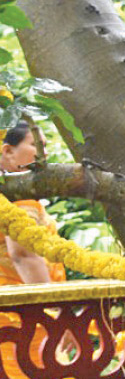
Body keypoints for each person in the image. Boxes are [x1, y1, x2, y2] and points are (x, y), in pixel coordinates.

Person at [0, 122, 66, 285]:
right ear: (8, 151)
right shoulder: (17, 197)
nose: (45, 153)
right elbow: (23, 255)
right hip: (21, 306)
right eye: (36, 145)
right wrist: (53, 306)